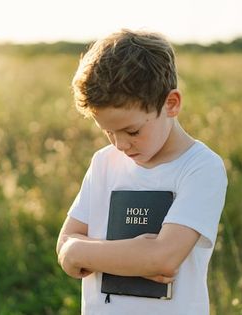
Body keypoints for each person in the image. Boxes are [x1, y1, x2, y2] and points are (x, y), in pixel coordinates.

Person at [56, 29, 228, 315]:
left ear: (171, 103)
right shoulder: (103, 163)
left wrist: (82, 251)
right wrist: (131, 255)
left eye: (132, 131)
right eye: (108, 132)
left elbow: (163, 258)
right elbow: (65, 245)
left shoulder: (200, 167)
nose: (121, 144)